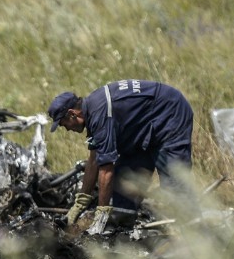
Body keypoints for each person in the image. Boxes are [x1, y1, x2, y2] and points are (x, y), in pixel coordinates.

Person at [48, 79, 194, 230]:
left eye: (63, 124)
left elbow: (106, 168)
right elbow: (94, 161)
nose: (66, 129)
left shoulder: (100, 114)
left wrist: (102, 213)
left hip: (169, 112)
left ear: (72, 114)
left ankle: (193, 232)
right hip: (142, 127)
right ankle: (124, 230)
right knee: (124, 180)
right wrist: (80, 203)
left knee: (174, 181)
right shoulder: (92, 111)